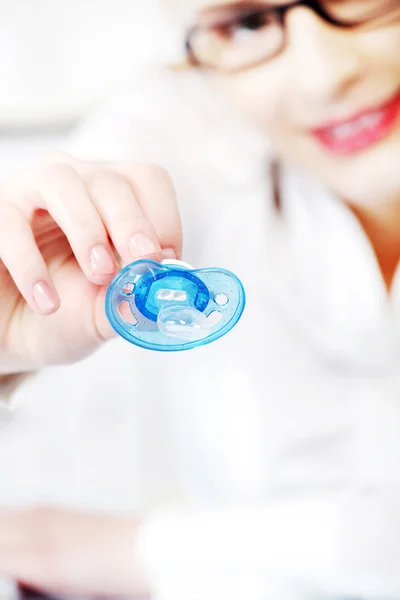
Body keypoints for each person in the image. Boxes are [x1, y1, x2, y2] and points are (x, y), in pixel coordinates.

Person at [0, 0, 400, 598]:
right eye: (247, 23)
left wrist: (119, 551)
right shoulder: (177, 127)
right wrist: (7, 345)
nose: (325, 74)